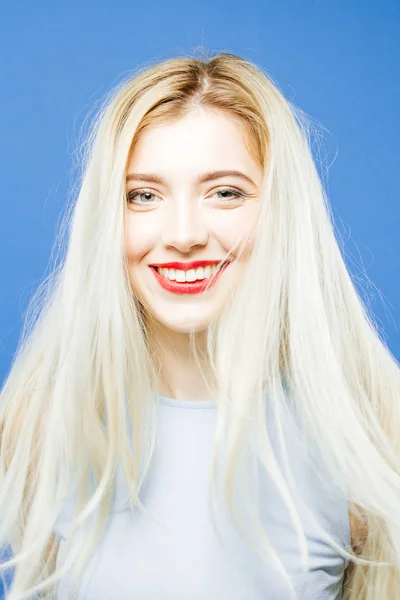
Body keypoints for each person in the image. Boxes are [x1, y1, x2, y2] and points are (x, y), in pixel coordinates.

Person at [0, 50, 399, 600]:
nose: (184, 233)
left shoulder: (370, 427)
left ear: (280, 210)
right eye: (143, 196)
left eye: (226, 192)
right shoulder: (39, 423)